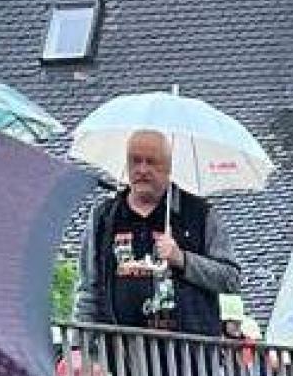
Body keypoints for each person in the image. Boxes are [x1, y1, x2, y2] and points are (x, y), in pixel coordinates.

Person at [73, 129, 241, 337]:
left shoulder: (200, 215)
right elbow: (89, 289)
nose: (142, 169)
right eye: (135, 161)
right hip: (121, 355)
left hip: (190, 358)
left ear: (169, 167)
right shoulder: (104, 217)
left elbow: (231, 278)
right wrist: (78, 347)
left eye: (151, 162)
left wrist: (182, 259)